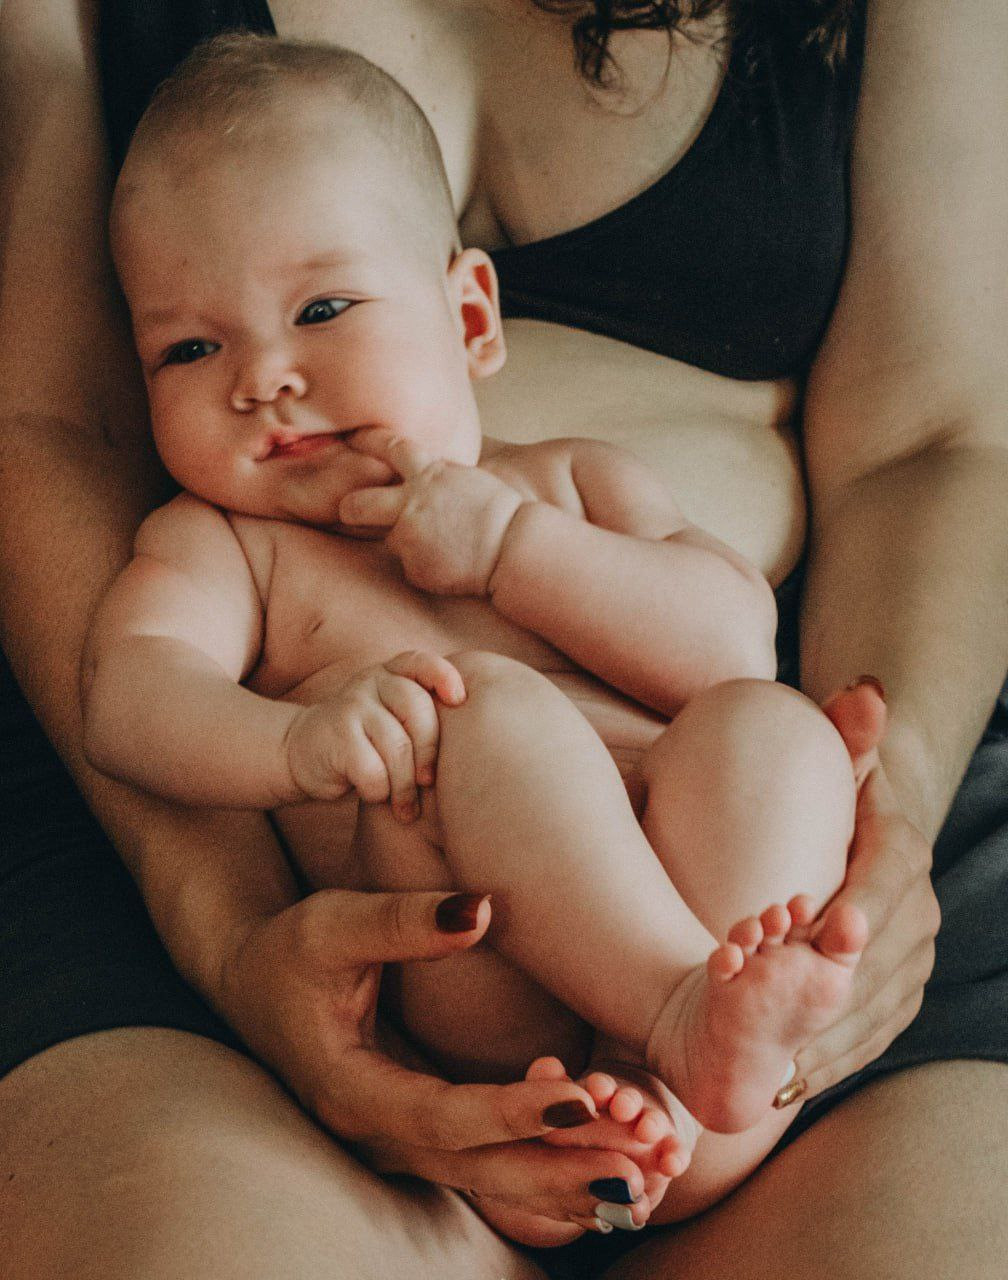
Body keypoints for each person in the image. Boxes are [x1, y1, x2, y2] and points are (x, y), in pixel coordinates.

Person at [0, 2, 1005, 1278]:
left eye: (323, 310)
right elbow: (130, 696)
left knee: (774, 727)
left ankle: (674, 1102)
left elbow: (730, 640)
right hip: (452, 967)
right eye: (189, 348)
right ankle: (674, 1023)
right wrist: (295, 746)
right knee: (476, 706)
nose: (260, 380)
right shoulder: (227, 546)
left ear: (475, 321)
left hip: (725, 907)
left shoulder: (564, 487)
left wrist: (519, 551)